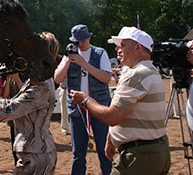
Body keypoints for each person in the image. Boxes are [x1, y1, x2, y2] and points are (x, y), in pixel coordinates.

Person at [70, 26, 171, 174]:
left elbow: (112, 116)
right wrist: (112, 138)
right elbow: (129, 111)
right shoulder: (149, 71)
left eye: (123, 45)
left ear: (138, 47)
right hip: (153, 150)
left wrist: (85, 101)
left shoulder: (136, 74)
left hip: (140, 155)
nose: (118, 49)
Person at [0, 31, 58, 175]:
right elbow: (12, 102)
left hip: (35, 155)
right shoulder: (38, 80)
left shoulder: (40, 87)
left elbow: (5, 113)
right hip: (37, 151)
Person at [54, 24, 113, 175]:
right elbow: (57, 78)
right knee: (78, 154)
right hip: (77, 110)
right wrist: (68, 60)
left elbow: (106, 78)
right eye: (76, 41)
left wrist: (84, 64)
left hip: (99, 107)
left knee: (104, 150)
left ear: (89, 38)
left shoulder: (99, 53)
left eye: (83, 41)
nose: (80, 44)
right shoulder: (69, 56)